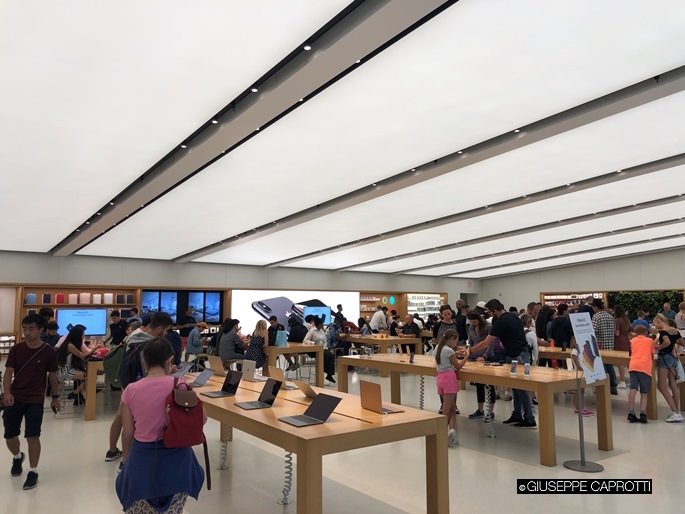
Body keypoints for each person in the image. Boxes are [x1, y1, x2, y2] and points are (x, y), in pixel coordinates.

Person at [116, 337, 205, 513]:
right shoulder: (180, 384)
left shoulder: (131, 390)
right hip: (179, 462)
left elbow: (127, 433)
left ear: (144, 362)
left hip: (143, 460)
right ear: (169, 361)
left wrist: (126, 461)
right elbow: (202, 418)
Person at [105, 312, 173, 466]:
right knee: (130, 426)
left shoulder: (133, 336)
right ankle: (127, 461)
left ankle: (113, 451)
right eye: (166, 330)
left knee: (121, 419)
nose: (166, 334)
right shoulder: (149, 344)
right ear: (159, 328)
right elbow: (149, 372)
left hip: (129, 387)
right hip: (141, 389)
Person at [3, 314, 60, 490]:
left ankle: (33, 471)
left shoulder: (49, 351)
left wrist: (55, 397)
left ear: (40, 330)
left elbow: (52, 375)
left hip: (35, 398)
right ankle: (17, 457)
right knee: (10, 435)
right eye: (24, 329)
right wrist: (7, 393)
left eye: (31, 329)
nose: (27, 333)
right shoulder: (16, 349)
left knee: (32, 435)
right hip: (15, 396)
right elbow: (8, 372)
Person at [470, 299, 536, 428]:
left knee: (521, 387)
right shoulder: (513, 316)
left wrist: (470, 350)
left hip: (518, 356)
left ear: (495, 310)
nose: (489, 314)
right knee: (515, 386)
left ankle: (529, 418)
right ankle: (517, 414)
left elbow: (486, 343)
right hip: (516, 354)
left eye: (489, 312)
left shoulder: (501, 321)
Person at [435, 329, 469, 447]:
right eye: (456, 341)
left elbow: (447, 354)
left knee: (452, 408)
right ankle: (441, 436)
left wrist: (456, 353)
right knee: (446, 410)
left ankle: (452, 433)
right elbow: (458, 366)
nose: (456, 343)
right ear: (452, 339)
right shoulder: (449, 351)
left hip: (440, 378)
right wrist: (466, 356)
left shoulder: (438, 347)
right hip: (449, 379)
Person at [55, 325, 103, 405]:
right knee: (91, 377)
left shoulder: (71, 344)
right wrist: (95, 348)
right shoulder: (70, 346)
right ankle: (75, 393)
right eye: (82, 334)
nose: (83, 336)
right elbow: (84, 357)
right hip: (65, 371)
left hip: (69, 368)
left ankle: (77, 393)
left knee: (90, 376)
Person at [653, 314, 684, 422]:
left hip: (664, 358)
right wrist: (674, 342)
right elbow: (682, 343)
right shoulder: (675, 331)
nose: (655, 326)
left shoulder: (662, 332)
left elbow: (667, 341)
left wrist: (658, 347)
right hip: (672, 358)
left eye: (655, 324)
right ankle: (677, 411)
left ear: (659, 321)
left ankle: (675, 412)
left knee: (661, 386)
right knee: (673, 384)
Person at [466, 312, 495, 421]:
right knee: (479, 385)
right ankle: (480, 409)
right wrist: (469, 354)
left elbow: (490, 344)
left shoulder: (488, 327)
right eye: (471, 322)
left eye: (474, 321)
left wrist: (484, 356)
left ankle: (491, 411)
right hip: (474, 358)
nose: (473, 324)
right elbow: (470, 342)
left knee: (490, 385)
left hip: (487, 358)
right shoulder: (471, 328)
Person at [627, 325, 655, 423]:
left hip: (633, 365)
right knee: (644, 392)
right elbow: (652, 353)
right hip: (644, 366)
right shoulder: (649, 341)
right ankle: (643, 413)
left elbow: (631, 352)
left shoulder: (633, 340)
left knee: (633, 389)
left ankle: (631, 412)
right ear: (646, 332)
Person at [591, 299, 618, 395]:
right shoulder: (610, 317)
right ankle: (613, 386)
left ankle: (604, 385)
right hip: (610, 345)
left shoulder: (596, 317)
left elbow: (593, 332)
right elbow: (615, 331)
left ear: (595, 307)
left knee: (602, 367)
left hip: (600, 346)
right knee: (609, 365)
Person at [304, 317, 337, 383]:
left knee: (331, 356)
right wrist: (312, 343)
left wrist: (324, 348)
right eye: (322, 324)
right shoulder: (312, 331)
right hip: (314, 350)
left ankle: (329, 374)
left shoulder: (322, 331)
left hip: (322, 349)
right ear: (319, 324)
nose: (323, 325)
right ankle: (326, 371)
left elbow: (325, 341)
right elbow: (305, 340)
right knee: (327, 356)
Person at [613, 305, 632, 389]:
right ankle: (632, 380)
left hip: (619, 341)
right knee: (628, 362)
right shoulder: (626, 320)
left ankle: (622, 381)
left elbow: (617, 333)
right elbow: (630, 331)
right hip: (626, 340)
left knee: (620, 362)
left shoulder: (617, 320)